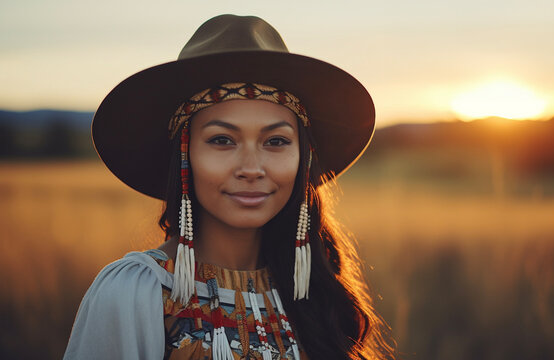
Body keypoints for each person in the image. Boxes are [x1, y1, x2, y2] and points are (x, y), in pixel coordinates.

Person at [64, 14, 394, 360]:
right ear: (184, 155)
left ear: (304, 159)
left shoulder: (315, 296)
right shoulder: (135, 293)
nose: (251, 168)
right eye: (222, 140)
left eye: (276, 141)